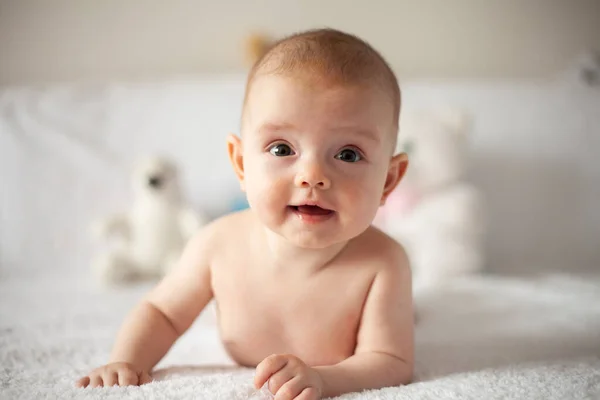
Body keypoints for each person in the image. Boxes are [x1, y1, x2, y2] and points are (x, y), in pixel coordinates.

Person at [77, 28, 413, 400]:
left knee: (402, 320)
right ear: (241, 163)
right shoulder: (217, 244)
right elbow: (162, 312)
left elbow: (390, 359)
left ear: (388, 180)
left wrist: (325, 379)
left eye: (348, 154)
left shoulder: (383, 263)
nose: (313, 176)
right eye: (282, 148)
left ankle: (407, 314)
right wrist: (126, 360)